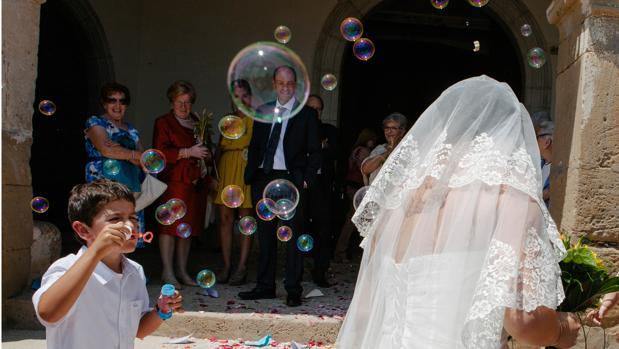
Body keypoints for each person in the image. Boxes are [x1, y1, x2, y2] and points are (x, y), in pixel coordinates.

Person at [336, 76, 580, 348]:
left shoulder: (402, 202)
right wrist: (562, 330)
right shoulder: (513, 201)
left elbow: (367, 311)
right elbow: (523, 323)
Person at [32, 180, 184, 349]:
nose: (130, 225)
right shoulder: (66, 268)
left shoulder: (135, 271)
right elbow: (47, 314)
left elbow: (138, 330)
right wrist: (96, 251)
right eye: (115, 218)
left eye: (133, 217)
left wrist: (161, 310)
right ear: (83, 230)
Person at [239, 65, 321, 307]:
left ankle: (293, 288)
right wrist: (251, 174)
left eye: (289, 84)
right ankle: (265, 286)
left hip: (291, 180)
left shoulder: (306, 114)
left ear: (294, 86)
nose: (285, 88)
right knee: (264, 236)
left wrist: (306, 179)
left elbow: (315, 152)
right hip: (264, 178)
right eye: (280, 83)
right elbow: (256, 146)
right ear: (274, 84)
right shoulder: (264, 111)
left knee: (293, 236)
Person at [153, 81, 212, 289]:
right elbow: (160, 152)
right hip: (175, 180)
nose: (184, 107)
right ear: (172, 102)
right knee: (170, 227)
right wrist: (188, 152)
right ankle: (167, 271)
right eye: (180, 102)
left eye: (188, 102)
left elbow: (205, 147)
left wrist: (205, 157)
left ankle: (182, 271)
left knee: (187, 229)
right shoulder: (164, 122)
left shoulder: (197, 121)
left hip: (196, 182)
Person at [84, 82, 145, 232]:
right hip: (104, 184)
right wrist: (132, 154)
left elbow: (145, 161)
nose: (118, 105)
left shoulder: (132, 129)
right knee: (106, 226)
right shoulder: (96, 122)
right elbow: (106, 150)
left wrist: (122, 152)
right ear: (104, 104)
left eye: (122, 101)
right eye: (112, 100)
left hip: (131, 187)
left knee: (128, 230)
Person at [214, 79, 255, 285]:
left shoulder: (256, 120)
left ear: (250, 97)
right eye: (236, 97)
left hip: (245, 168)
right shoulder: (227, 121)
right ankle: (227, 265)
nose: (240, 101)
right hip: (227, 167)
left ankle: (242, 267)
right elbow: (219, 149)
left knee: (245, 220)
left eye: (244, 96)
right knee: (225, 219)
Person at [305, 94, 339, 287]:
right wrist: (320, 146)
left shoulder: (329, 130)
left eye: (318, 109)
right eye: (311, 108)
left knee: (323, 230)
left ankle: (320, 271)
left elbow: (334, 152)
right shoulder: (298, 129)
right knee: (300, 227)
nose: (314, 112)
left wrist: (320, 147)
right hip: (303, 186)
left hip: (322, 187)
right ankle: (296, 270)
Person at [334, 128, 378, 263]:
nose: (373, 142)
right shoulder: (364, 151)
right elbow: (364, 170)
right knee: (356, 219)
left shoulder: (355, 150)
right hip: (358, 188)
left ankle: (347, 251)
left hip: (351, 187)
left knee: (356, 218)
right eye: (371, 139)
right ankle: (343, 252)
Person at [360, 112, 408, 185]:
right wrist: (389, 151)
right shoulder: (379, 149)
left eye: (393, 128)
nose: (389, 131)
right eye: (387, 128)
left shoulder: (408, 149)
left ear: (402, 132)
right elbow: (366, 169)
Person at [532, 111, 553, 206]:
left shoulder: (559, 169)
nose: (534, 142)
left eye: (537, 137)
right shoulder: (538, 164)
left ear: (547, 142)